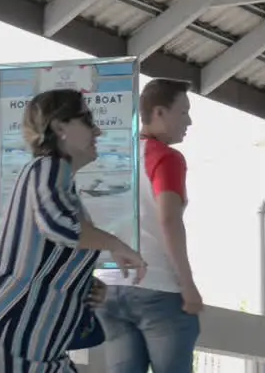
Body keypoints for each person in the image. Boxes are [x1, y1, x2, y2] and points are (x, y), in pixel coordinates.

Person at [0, 89, 147, 373]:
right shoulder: (50, 166)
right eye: (88, 120)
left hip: (23, 340)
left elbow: (47, 251)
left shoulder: (59, 184)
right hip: (10, 337)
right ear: (59, 126)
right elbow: (58, 226)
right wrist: (116, 244)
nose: (98, 130)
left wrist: (83, 285)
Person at [96, 79, 201, 373]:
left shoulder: (110, 158)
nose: (189, 121)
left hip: (109, 286)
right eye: (183, 112)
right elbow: (169, 219)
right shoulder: (166, 158)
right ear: (159, 113)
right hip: (157, 287)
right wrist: (188, 284)